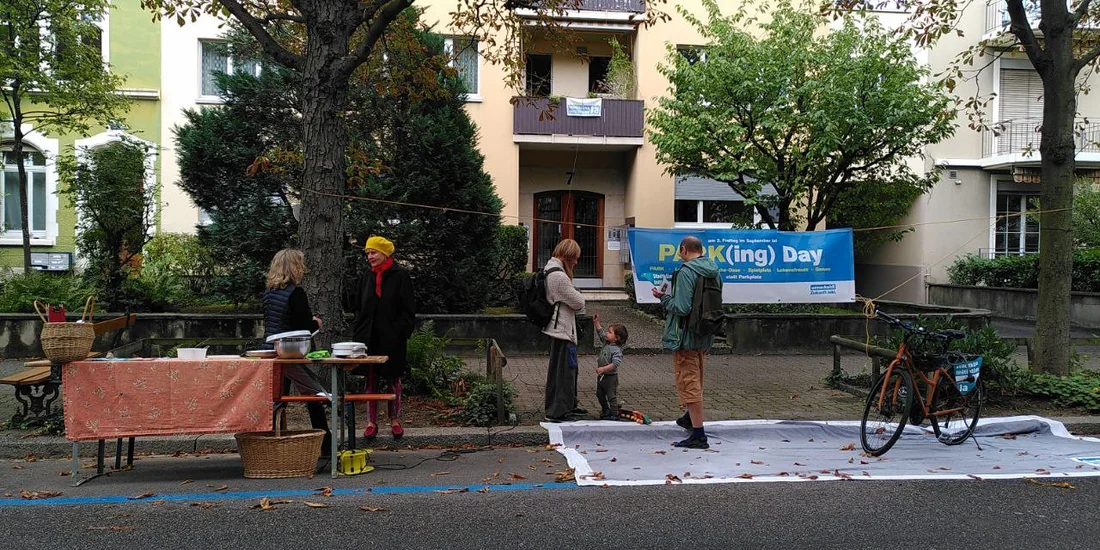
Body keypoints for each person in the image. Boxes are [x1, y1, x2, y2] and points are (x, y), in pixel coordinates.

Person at [652, 236, 721, 449]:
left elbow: (681, 308)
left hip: (684, 336)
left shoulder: (686, 272)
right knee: (696, 377)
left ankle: (699, 435)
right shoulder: (714, 272)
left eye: (679, 251)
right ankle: (689, 418)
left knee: (689, 382)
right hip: (704, 333)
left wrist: (662, 298)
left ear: (683, 249)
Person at [261, 249, 331, 453]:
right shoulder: (296, 292)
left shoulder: (269, 292)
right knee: (315, 396)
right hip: (292, 352)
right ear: (295, 267)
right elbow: (302, 327)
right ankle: (325, 444)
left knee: (277, 400)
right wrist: (316, 323)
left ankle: (268, 444)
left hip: (271, 350)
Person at [348, 235, 415, 440]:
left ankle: (394, 419)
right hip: (368, 337)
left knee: (393, 378)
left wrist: (400, 331)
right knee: (371, 378)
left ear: (384, 253)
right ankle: (371, 422)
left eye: (373, 252)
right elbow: (358, 306)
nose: (369, 257)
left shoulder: (400, 276)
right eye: (367, 253)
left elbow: (408, 308)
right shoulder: (366, 277)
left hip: (392, 338)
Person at [542, 238, 587, 422]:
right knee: (564, 372)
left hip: (559, 328)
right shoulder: (559, 277)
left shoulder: (550, 269)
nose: (576, 262)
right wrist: (578, 295)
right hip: (562, 330)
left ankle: (567, 406)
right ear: (567, 257)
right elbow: (579, 302)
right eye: (575, 258)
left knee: (567, 370)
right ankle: (558, 410)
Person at [593, 314, 628, 421]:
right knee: (599, 394)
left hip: (611, 377)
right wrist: (596, 323)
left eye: (610, 332)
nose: (607, 333)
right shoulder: (606, 342)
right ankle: (605, 410)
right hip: (602, 376)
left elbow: (615, 364)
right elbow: (601, 333)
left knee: (611, 396)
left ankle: (614, 413)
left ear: (617, 338)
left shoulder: (617, 350)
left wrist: (604, 369)